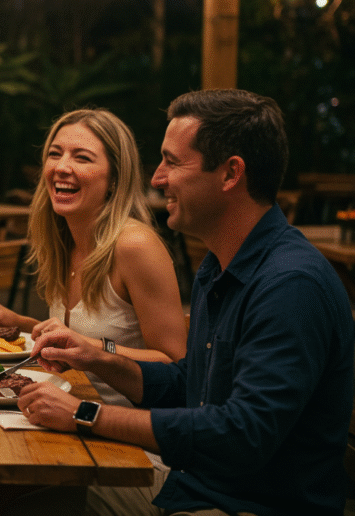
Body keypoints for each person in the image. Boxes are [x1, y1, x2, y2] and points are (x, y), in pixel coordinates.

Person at [18, 89, 354, 515]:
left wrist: (87, 414)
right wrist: (95, 355)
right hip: (192, 488)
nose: (157, 178)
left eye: (172, 162)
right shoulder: (218, 269)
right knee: (8, 496)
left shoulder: (290, 285)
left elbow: (241, 435)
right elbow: (186, 385)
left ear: (231, 174)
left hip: (241, 506)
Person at [0, 109, 186, 404]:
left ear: (115, 177)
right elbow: (77, 337)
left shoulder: (134, 245)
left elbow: (175, 365)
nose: (62, 167)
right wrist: (19, 323)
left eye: (82, 157)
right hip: (66, 415)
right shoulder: (64, 239)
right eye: (55, 154)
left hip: (126, 434)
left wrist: (96, 347)